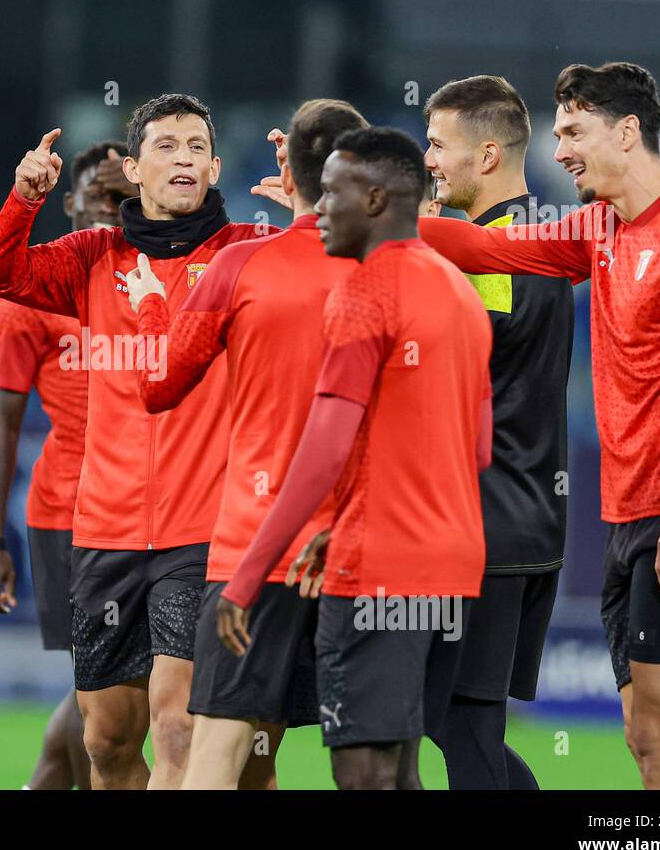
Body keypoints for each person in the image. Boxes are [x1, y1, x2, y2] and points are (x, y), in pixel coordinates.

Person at [417, 62, 660, 789]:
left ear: (628, 131)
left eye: (574, 131)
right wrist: (372, 213)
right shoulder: (601, 227)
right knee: (643, 738)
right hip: (628, 514)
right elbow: (488, 248)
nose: (560, 148)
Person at [0, 94, 267, 789]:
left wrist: (309, 216)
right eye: (167, 146)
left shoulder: (244, 256)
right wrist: (22, 201)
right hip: (103, 532)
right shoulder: (91, 256)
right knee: (107, 742)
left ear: (216, 166)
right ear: (135, 169)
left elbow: (328, 271)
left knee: (178, 726)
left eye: (197, 146)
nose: (184, 158)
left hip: (201, 533)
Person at [218, 127, 493, 790]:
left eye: (333, 192)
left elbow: (325, 447)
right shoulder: (459, 291)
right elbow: (478, 449)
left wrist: (247, 575)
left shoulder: (365, 291)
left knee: (363, 772)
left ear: (374, 200)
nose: (318, 208)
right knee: (400, 769)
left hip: (378, 569)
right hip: (452, 568)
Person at [121, 99, 367, 789]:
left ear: (288, 166)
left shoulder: (238, 266)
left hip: (254, 553)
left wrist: (147, 303)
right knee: (377, 762)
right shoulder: (403, 269)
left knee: (219, 754)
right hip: (361, 550)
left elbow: (157, 384)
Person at [421, 75, 573, 789]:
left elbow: (442, 372)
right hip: (522, 517)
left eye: (436, 146)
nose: (428, 162)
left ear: (485, 157)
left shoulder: (494, 260)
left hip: (490, 524)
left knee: (461, 722)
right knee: (453, 719)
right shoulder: (529, 243)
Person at [0, 140, 134, 790]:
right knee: (103, 694)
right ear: (70, 202)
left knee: (105, 695)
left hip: (141, 513)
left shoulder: (149, 286)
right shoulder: (30, 299)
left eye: (126, 202)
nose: (112, 212)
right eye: (100, 196)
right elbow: (0, 422)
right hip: (67, 516)